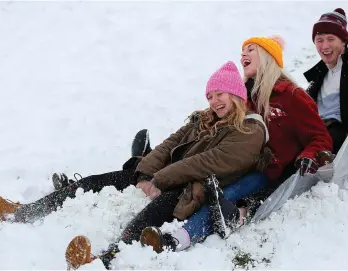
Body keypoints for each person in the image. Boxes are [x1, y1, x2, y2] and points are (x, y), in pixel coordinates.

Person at [0, 61, 268, 270]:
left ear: (236, 95)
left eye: (220, 94)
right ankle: (21, 212)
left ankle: (100, 263)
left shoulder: (249, 131)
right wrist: (144, 173)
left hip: (190, 192)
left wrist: (159, 180)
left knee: (144, 220)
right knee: (93, 183)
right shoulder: (203, 120)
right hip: (165, 178)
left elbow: (209, 162)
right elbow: (169, 144)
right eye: (210, 95)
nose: (214, 101)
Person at [138, 35, 334, 255]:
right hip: (238, 163)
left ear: (268, 57)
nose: (243, 54)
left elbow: (320, 136)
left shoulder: (292, 96)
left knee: (229, 193)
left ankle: (177, 239)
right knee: (199, 183)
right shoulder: (244, 98)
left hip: (270, 171)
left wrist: (307, 156)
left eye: (251, 50)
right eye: (242, 51)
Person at [304, 8, 348, 154]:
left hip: (338, 135)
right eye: (319, 40)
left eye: (331, 39)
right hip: (315, 133)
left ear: (343, 42)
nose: (325, 46)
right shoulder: (319, 75)